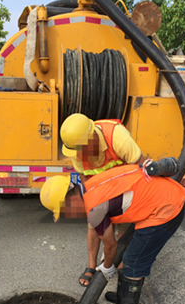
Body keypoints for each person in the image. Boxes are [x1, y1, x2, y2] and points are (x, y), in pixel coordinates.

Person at [40, 159, 185, 304]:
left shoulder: (95, 209)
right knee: (132, 256)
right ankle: (124, 297)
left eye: (65, 212)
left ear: (69, 201)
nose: (69, 216)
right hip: (165, 196)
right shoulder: (91, 186)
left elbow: (110, 246)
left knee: (133, 260)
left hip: (166, 210)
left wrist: (107, 267)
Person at [60, 113, 146, 286]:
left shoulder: (117, 137)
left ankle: (119, 263)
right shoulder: (77, 154)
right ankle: (92, 265)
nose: (77, 154)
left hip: (127, 188)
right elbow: (88, 185)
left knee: (125, 227)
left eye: (80, 149)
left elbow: (141, 169)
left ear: (92, 139)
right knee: (94, 223)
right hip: (101, 190)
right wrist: (96, 210)